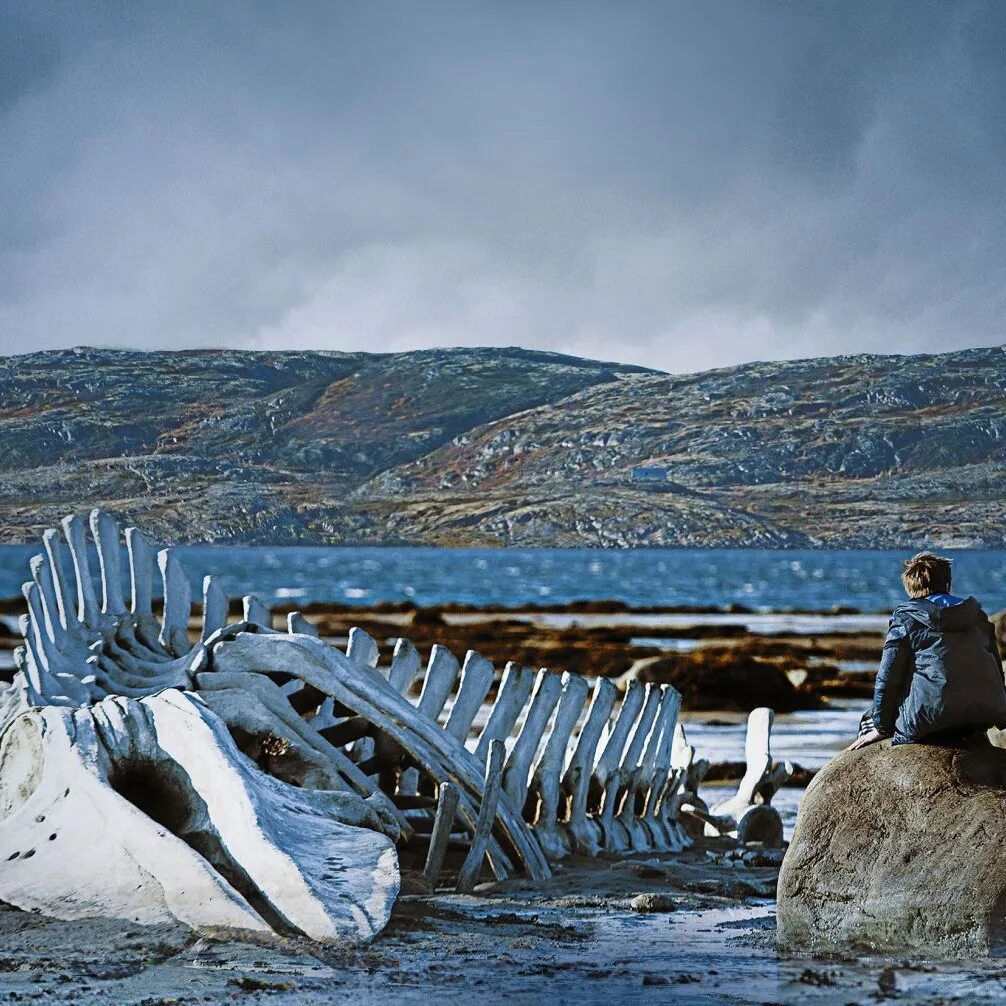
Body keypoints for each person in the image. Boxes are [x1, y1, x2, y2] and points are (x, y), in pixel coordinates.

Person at [850, 551, 1006, 750]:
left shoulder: (907, 619)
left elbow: (888, 678)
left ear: (910, 588)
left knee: (868, 720)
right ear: (947, 584)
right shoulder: (977, 616)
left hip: (931, 721)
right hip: (984, 714)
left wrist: (881, 727)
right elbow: (995, 668)